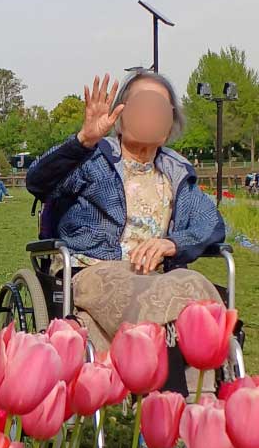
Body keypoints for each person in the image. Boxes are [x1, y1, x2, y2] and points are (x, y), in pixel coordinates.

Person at [26, 71, 227, 398]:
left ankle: (194, 404)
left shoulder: (176, 173)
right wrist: (83, 140)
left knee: (194, 287)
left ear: (170, 122)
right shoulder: (93, 159)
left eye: (159, 108)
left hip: (159, 276)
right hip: (92, 269)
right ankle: (168, 400)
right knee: (161, 295)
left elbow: (211, 223)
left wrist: (173, 243)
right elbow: (39, 182)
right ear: (120, 116)